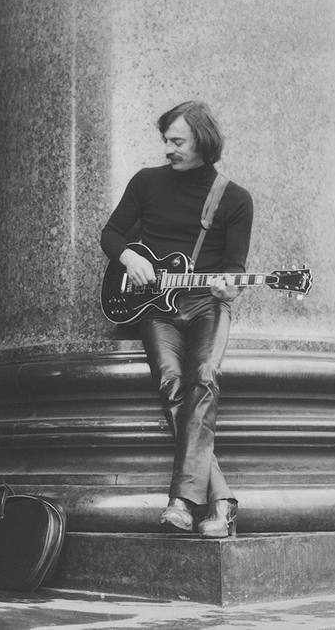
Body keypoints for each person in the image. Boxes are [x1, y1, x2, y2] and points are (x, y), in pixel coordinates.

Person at [100, 101, 253, 538]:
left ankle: (182, 502)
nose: (168, 148)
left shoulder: (236, 199)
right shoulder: (147, 182)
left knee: (203, 376)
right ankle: (221, 501)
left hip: (207, 303)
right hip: (154, 305)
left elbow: (235, 267)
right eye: (165, 139)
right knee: (171, 381)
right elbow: (111, 233)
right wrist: (129, 256)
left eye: (177, 141)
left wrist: (232, 287)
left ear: (202, 142)